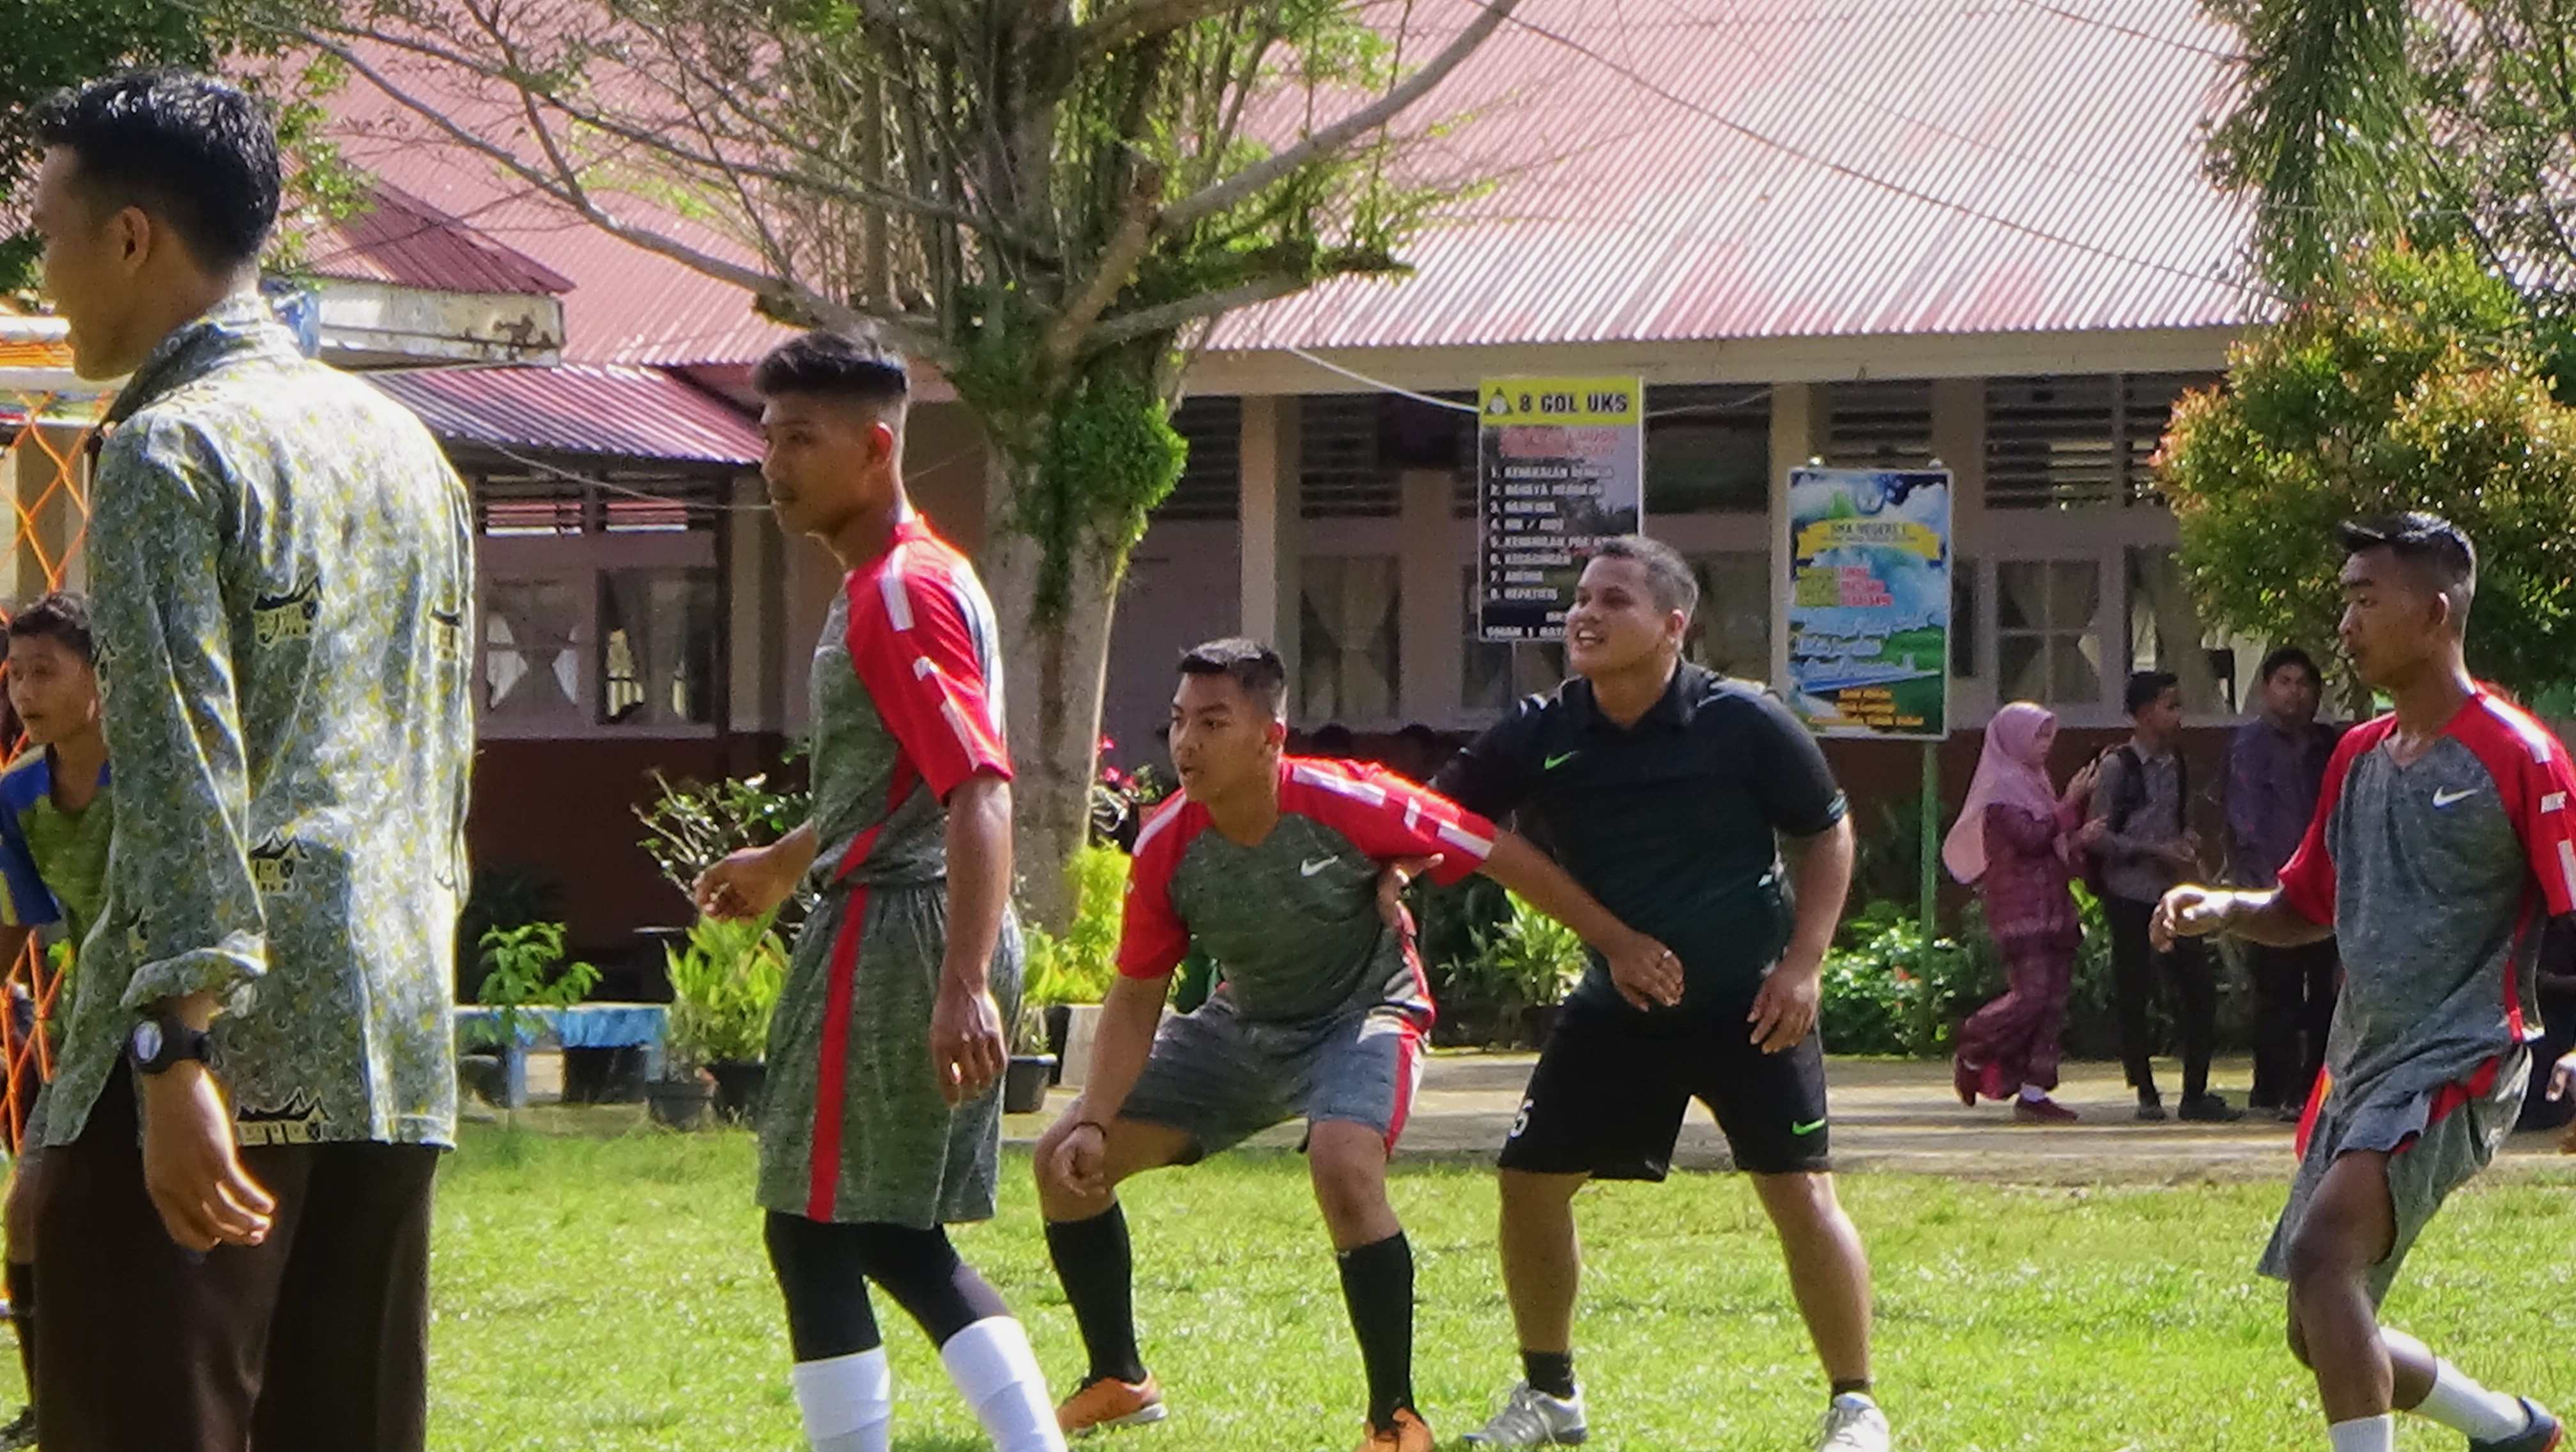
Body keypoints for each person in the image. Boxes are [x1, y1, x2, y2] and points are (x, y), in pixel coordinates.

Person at [25, 70, 475, 1451]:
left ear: (132, 237)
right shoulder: (408, 447)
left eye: (46, 231)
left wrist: (170, 1048)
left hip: (215, 1050)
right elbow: (444, 761)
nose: (41, 271)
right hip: (393, 1036)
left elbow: (176, 759)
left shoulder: (168, 450)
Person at [1036, 638, 1675, 1452]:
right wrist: (1093, 1114)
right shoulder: (1167, 842)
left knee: (1342, 1161)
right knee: (1063, 1163)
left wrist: (1618, 944)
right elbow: (1135, 994)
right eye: (1177, 722)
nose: (1186, 743)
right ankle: (1119, 1380)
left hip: (1366, 1011)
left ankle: (1393, 1417)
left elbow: (1497, 851)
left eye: (1212, 721)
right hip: (1247, 1023)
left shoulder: (1348, 798)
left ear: (1271, 734)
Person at [1432, 537, 1890, 1452]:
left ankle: (1856, 1405)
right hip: (1621, 1010)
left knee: (1800, 1194)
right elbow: (1449, 824)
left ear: (1673, 627)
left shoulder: (1745, 722)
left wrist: (1803, 966)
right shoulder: (1544, 729)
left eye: (1614, 602)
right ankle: (1551, 1396)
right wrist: (1610, 940)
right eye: (1582, 600)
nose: (1586, 617)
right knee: (1527, 1183)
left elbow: (1827, 834)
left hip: (1750, 1006)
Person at [693, 330, 1062, 1452]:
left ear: (876, 447)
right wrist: (789, 857)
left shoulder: (895, 595)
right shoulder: (923, 573)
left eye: (800, 439)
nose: (773, 462)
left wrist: (961, 981)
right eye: (767, 436)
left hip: (899, 933)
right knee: (894, 1234)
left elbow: (979, 788)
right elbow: (902, 777)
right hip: (906, 914)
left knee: (811, 1228)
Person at [2156, 514, 2568, 1452]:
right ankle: (2509, 1428)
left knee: (2322, 1256)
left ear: (2433, 614)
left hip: (2463, 1058)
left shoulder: (2523, 757)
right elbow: (2308, 904)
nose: (2344, 625)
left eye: (2363, 601)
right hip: (2363, 1066)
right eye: (2344, 601)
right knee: (2319, 1327)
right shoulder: (2357, 757)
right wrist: (2224, 909)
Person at [0, 595, 111, 1451]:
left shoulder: (156, 777)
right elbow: (28, 925)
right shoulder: (17, 799)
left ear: (100, 679)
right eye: (17, 674)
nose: (27, 692)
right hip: (85, 1026)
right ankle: (53, 1409)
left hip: (195, 1024)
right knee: (28, 1209)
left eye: (48, 671)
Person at [2094, 670, 2241, 1122]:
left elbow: (2180, 821)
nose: (2178, 715)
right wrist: (2150, 849)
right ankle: (2145, 1092)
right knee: (2134, 991)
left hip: (2174, 894)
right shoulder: (2117, 767)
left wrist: (2186, 842)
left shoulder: (2176, 764)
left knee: (2197, 989)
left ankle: (2195, 1092)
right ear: (2142, 714)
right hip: (2130, 894)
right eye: (2169, 706)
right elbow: (2098, 836)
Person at [1945, 702, 2099, 1124]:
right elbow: (2032, 838)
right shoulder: (2001, 791)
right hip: (2020, 910)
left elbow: (2054, 840)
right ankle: (1975, 1046)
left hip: (2054, 907)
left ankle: (2034, 1093)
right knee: (2030, 996)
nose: (2046, 745)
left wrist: (2079, 832)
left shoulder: (2038, 784)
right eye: (2038, 735)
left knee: (2054, 1002)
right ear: (2013, 738)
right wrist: (2069, 804)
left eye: (2049, 735)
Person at [2229, 646, 2343, 1122]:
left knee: (2327, 995)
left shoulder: (2330, 745)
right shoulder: (2248, 747)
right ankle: (2270, 1090)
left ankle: (2314, 1089)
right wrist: (2267, 889)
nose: (2295, 693)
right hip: (2272, 888)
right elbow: (2246, 822)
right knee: (2276, 995)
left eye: (2304, 684)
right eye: (2284, 682)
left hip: (2328, 889)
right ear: (2265, 689)